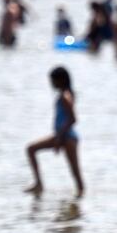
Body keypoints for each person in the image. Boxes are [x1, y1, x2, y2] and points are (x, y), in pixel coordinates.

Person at [24, 67, 84, 197]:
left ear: (61, 80)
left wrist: (59, 137)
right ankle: (39, 183)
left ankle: (80, 196)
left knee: (75, 172)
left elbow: (73, 119)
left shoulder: (65, 96)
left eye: (53, 81)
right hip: (61, 135)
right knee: (31, 149)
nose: (51, 84)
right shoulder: (63, 95)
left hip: (68, 138)